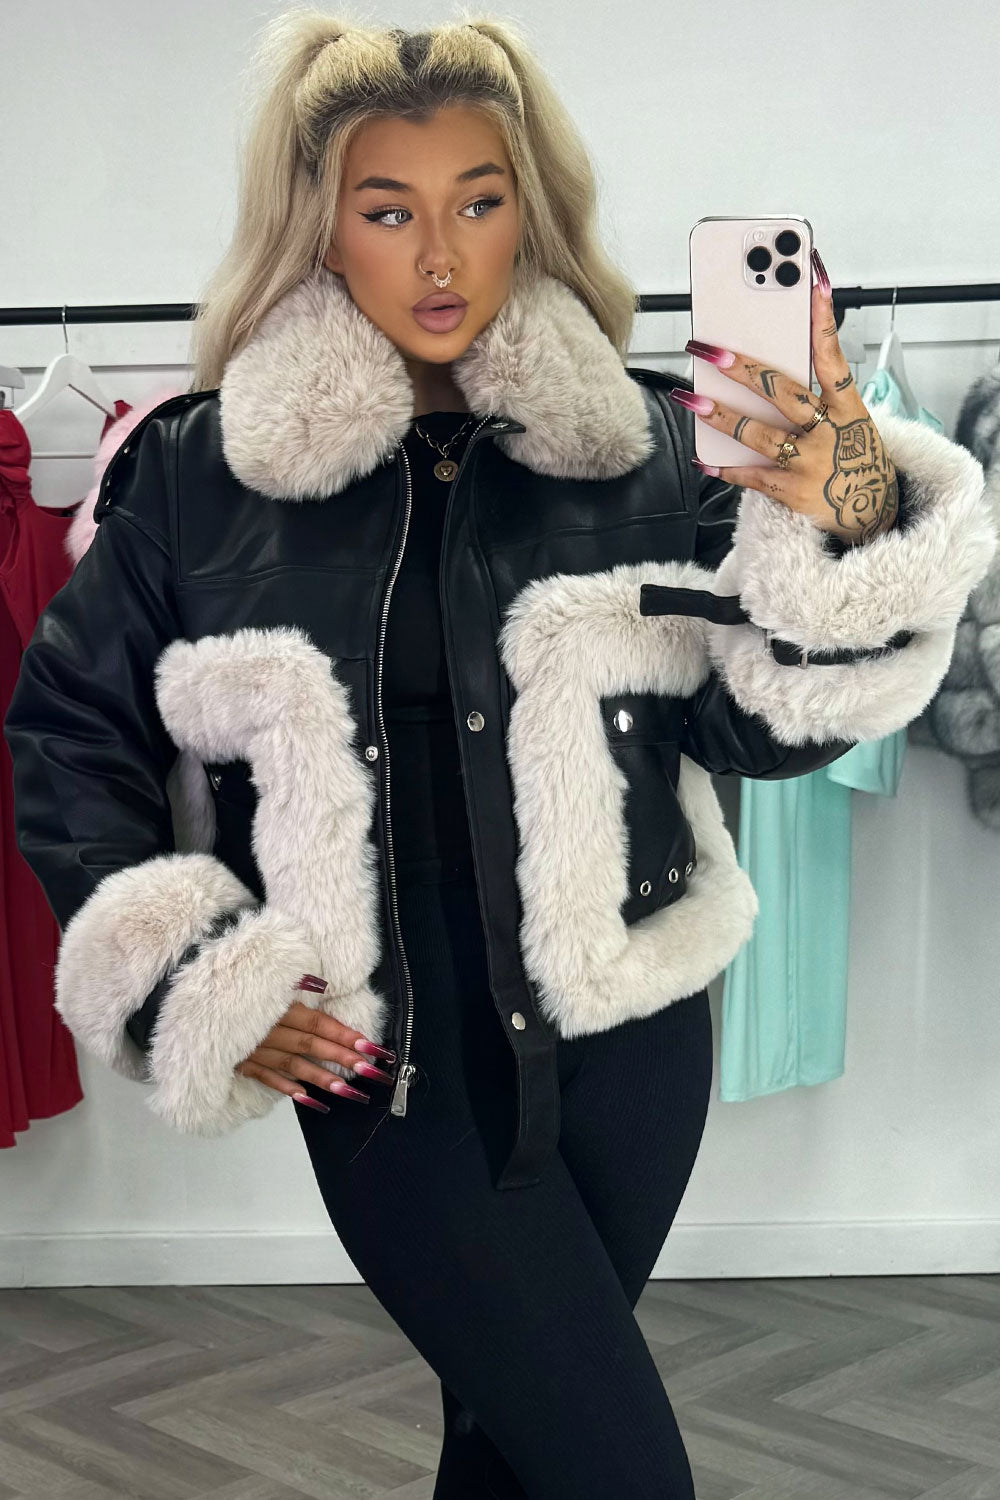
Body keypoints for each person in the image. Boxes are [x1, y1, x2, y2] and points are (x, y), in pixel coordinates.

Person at [4, 11, 995, 1498]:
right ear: (320, 226)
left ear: (529, 210)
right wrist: (191, 970)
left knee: (511, 1452)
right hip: (387, 1058)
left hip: (629, 1031)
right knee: (616, 1470)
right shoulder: (204, 475)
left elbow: (751, 728)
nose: (441, 255)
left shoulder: (650, 450)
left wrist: (849, 527)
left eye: (478, 201)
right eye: (388, 210)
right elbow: (70, 736)